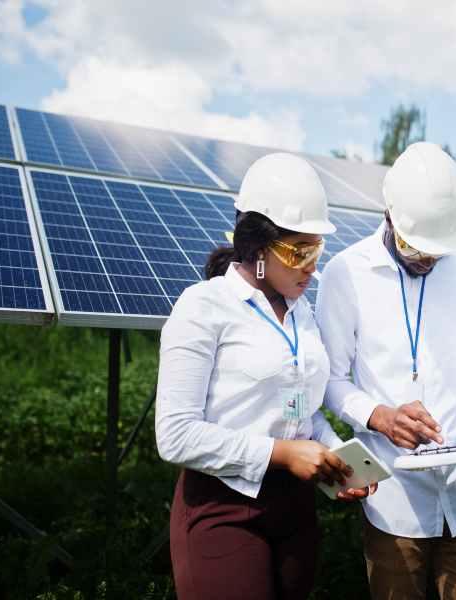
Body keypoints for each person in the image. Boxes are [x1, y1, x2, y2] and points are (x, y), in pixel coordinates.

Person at [316, 142, 456, 600]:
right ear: (389, 215)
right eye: (416, 247)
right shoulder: (345, 274)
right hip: (394, 503)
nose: (427, 259)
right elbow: (330, 381)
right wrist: (380, 417)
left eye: (438, 250)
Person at [156, 152, 372, 600]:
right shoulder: (203, 307)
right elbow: (175, 436)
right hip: (222, 506)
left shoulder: (301, 313)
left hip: (294, 509)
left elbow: (300, 409)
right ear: (257, 248)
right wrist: (281, 453)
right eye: (299, 251)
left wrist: (336, 457)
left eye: (317, 250)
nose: (312, 265)